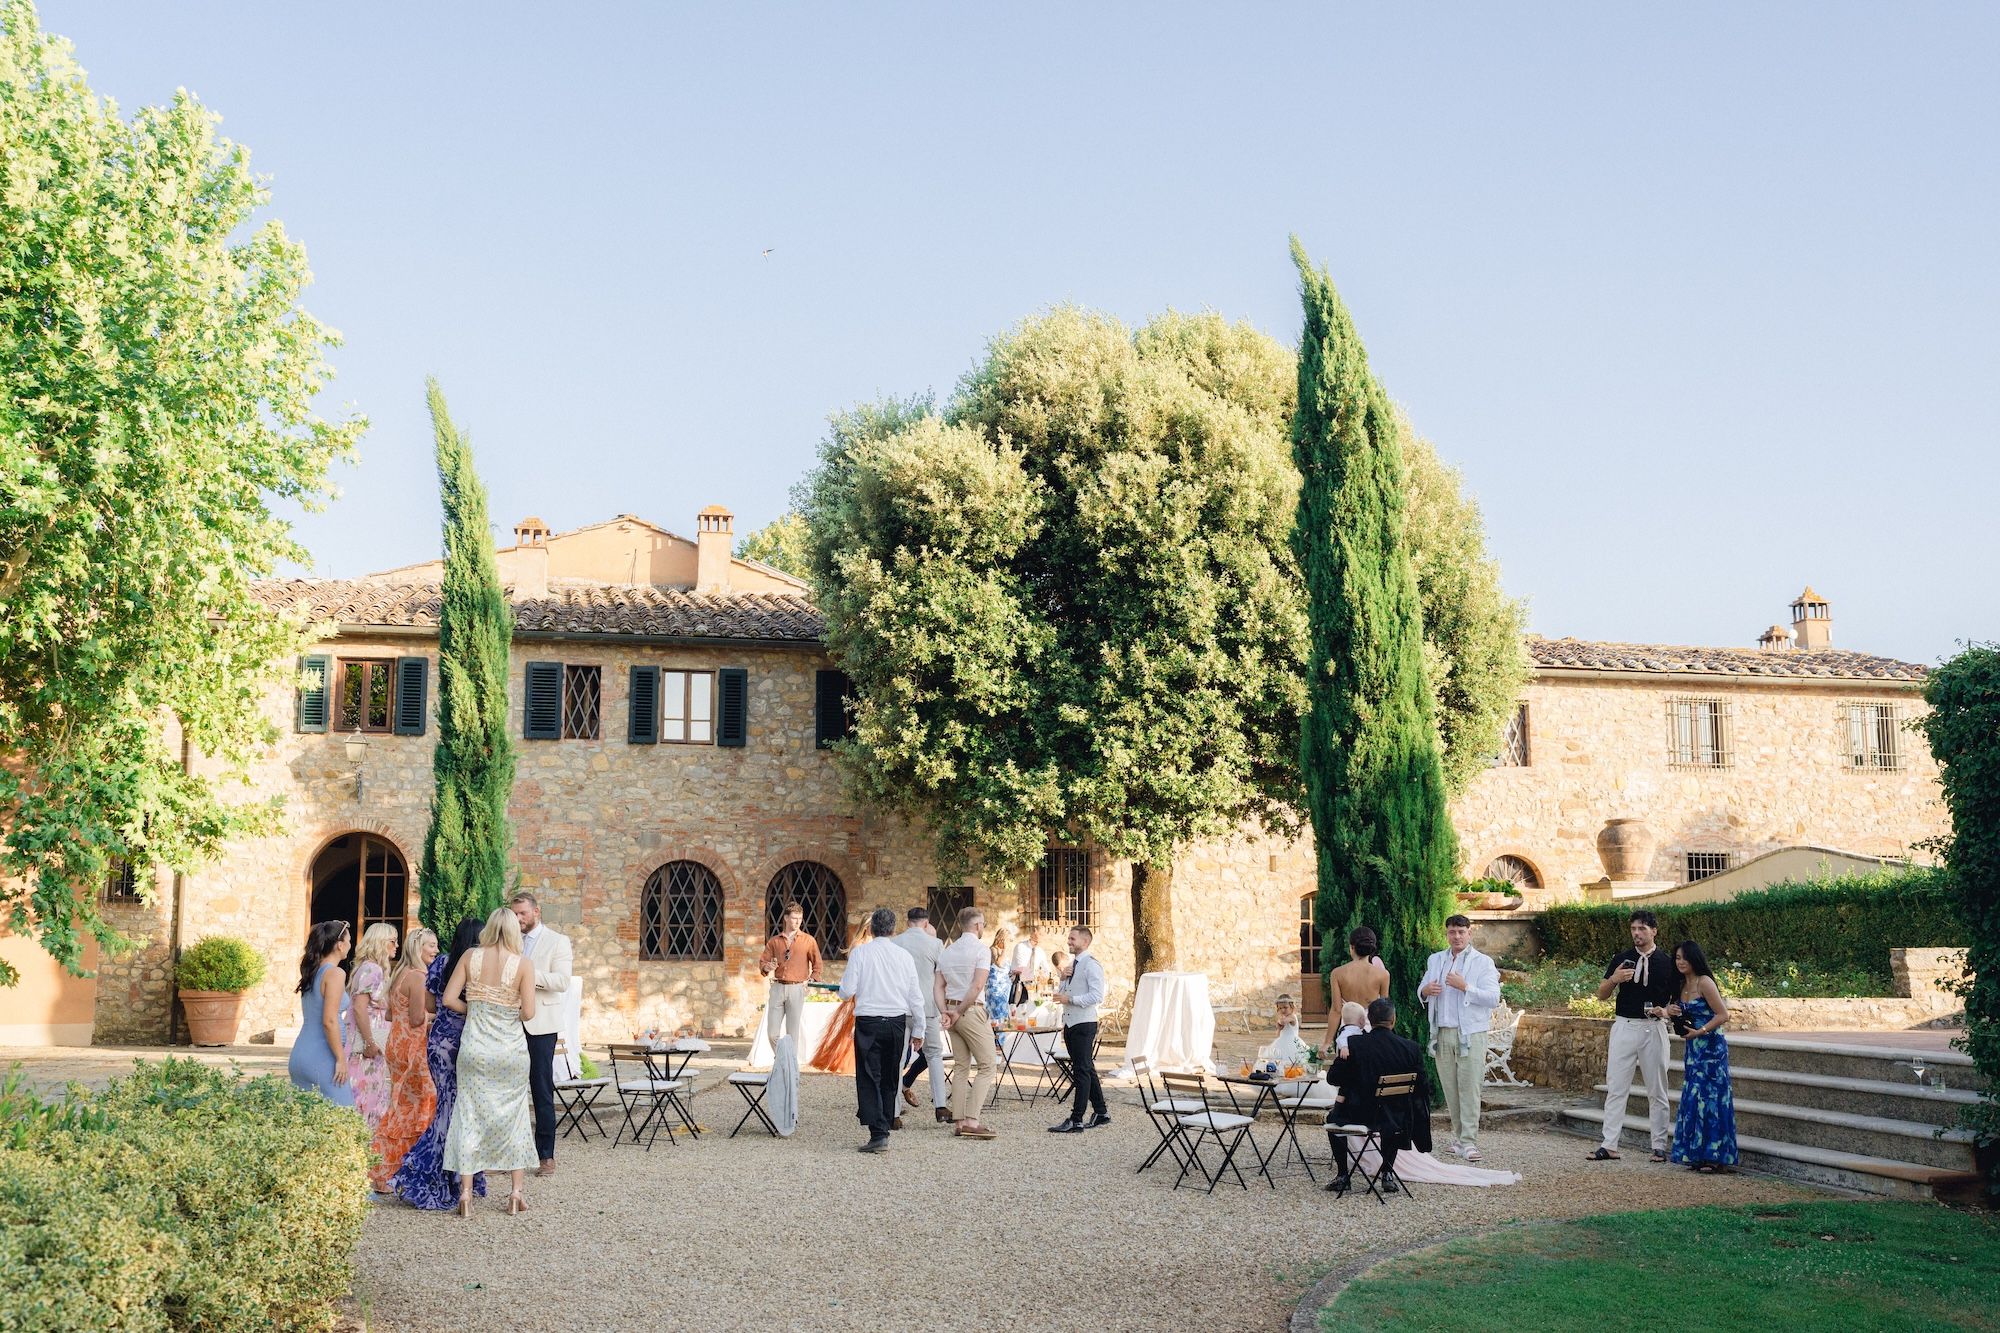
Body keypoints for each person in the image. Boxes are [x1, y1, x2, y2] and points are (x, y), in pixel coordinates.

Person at [442, 907, 539, 1217]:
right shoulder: (523, 964)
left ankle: (466, 1195)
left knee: (469, 1115)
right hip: (510, 1051)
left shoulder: (471, 957)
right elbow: (529, 1012)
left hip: (475, 1050)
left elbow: (448, 999)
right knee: (515, 1116)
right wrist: (508, 1008)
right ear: (513, 931)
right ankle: (515, 1193)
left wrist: (475, 1009)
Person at [390, 918, 486, 1210]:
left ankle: (450, 1177)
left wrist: (445, 1008)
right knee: (458, 1110)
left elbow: (431, 1005)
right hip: (466, 1040)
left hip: (439, 1041)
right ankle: (428, 1173)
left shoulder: (442, 961)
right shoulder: (478, 963)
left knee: (447, 1105)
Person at [1588, 909, 1680, 1162]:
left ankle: (1659, 1145)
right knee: (1617, 1087)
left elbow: (1677, 1000)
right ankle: (1609, 1144)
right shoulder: (1622, 958)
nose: (1637, 934)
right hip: (1625, 1025)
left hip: (1654, 1027)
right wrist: (1615, 979)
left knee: (1657, 1089)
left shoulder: (1666, 962)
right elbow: (1602, 994)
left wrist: (1666, 1012)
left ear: (1654, 931)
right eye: (1633, 929)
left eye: (1641, 929)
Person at [837, 907, 926, 1154]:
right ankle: (884, 1123)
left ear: (872, 929)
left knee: (868, 1076)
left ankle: (878, 1132)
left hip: (869, 1021)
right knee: (890, 1076)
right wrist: (919, 1029)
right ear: (893, 929)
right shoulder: (904, 957)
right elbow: (915, 996)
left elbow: (846, 991)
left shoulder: (861, 954)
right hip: (896, 1022)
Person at [1418, 914, 1502, 1162]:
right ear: (1447, 934)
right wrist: (1425, 991)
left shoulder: (1483, 962)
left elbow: (1492, 998)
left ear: (1469, 933)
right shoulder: (1436, 959)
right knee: (1450, 1088)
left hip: (1471, 1033)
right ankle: (1459, 1138)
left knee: (1470, 1087)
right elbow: (1421, 989)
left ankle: (1469, 1142)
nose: (1456, 936)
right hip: (1442, 1031)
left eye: (1460, 932)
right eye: (1452, 932)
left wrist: (1465, 986)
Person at [1325, 998, 1430, 1196]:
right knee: (1389, 1116)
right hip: (1397, 1118)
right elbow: (1422, 1086)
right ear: (1393, 1020)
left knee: (1333, 1119)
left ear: (1369, 1020)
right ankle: (1387, 1173)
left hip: (1360, 1115)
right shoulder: (1411, 1048)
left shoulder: (1354, 1044)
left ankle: (1343, 1176)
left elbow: (1333, 1078)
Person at [370, 928, 439, 1193]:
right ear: (418, 948)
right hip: (414, 1049)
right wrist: (440, 1016)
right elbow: (417, 1018)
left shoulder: (399, 973)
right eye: (430, 946)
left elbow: (390, 1016)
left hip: (396, 1044)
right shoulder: (419, 977)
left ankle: (384, 1169)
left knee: (401, 1106)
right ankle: (410, 1171)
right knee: (424, 1104)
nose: (434, 950)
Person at [511, 891, 573, 1179]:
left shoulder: (557, 942)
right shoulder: (510, 940)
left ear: (537, 912)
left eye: (522, 913)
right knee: (509, 1090)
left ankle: (546, 1156)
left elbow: (561, 981)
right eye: (515, 914)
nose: (518, 919)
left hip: (541, 1025)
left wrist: (528, 975)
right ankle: (509, 1155)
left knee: (541, 1091)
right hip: (509, 1023)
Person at [1666, 940, 1738, 1173]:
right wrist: (1674, 1012)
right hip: (1693, 1049)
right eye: (1677, 958)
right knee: (1694, 1098)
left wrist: (1701, 1031)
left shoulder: (1704, 982)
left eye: (1684, 958)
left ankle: (1714, 1156)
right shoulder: (1680, 985)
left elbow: (1723, 1014)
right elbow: (1678, 1014)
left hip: (1711, 1048)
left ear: (1694, 959)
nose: (1680, 962)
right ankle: (1695, 1153)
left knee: (1712, 1099)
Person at [939, 906, 1001, 1140]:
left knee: (961, 1066)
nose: (983, 927)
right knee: (987, 1065)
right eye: (982, 924)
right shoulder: (981, 950)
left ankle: (959, 1120)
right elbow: (976, 987)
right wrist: (959, 1011)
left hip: (951, 1007)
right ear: (976, 926)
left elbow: (938, 986)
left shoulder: (947, 951)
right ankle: (972, 1121)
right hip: (971, 1010)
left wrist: (945, 1011)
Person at [1049, 925, 1109, 1133]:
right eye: (1069, 938)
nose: (1069, 942)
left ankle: (1076, 1119)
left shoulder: (1092, 965)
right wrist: (1063, 980)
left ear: (1085, 942)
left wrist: (1070, 999)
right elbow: (1062, 992)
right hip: (1070, 1022)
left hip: (1084, 1023)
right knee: (1086, 1068)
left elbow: (1097, 996)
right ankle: (1101, 1112)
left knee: (1081, 1071)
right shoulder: (1073, 964)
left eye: (1073, 939)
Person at [288, 921, 356, 1107]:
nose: (351, 945)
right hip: (322, 1056)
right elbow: (329, 1020)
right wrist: (341, 1059)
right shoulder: (335, 973)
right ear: (339, 945)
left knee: (310, 1125)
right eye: (349, 940)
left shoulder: (312, 972)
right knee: (345, 1120)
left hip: (301, 1054)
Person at [893, 907, 950, 1124]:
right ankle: (940, 1106)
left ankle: (894, 1112)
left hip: (900, 1008)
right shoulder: (935, 944)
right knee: (934, 1054)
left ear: (908, 923)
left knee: (897, 1059)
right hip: (927, 1008)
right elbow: (942, 977)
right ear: (926, 924)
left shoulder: (896, 942)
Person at [344, 922, 398, 1133]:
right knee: (365, 1092)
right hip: (367, 1044)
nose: (396, 945)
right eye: (392, 941)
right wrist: (370, 1042)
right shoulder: (371, 969)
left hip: (373, 1040)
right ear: (380, 943)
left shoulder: (369, 968)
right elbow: (359, 1008)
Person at [758, 902, 821, 1049]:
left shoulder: (808, 940)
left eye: (800, 918)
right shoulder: (774, 941)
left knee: (792, 1034)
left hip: (797, 988)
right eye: (794, 918)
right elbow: (763, 963)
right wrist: (768, 966)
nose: (797, 921)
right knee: (772, 1033)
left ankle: (790, 1067)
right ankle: (781, 1059)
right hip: (777, 988)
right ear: (786, 918)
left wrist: (811, 981)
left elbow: (818, 965)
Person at [1329, 927, 1391, 1014]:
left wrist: (1331, 1028)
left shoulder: (1337, 974)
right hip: (1372, 1026)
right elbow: (1384, 1010)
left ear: (1351, 947)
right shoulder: (1383, 975)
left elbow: (1336, 1010)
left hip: (1348, 1026)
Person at [1008, 925, 1049, 1004]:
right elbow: (1021, 968)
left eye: (1044, 935)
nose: (1043, 937)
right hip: (1018, 984)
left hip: (1033, 987)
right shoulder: (1021, 947)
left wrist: (1044, 976)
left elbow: (1046, 970)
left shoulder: (1040, 951)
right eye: (1041, 934)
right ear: (1034, 932)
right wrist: (1036, 974)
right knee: (1016, 1010)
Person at [984, 927, 1014, 1027]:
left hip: (1004, 990)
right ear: (1001, 939)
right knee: (996, 1015)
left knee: (1004, 1016)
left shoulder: (1003, 952)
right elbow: (999, 963)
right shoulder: (993, 950)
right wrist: (1005, 949)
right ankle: (996, 1040)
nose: (1009, 943)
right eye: (1008, 940)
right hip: (995, 989)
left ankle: (1002, 1040)